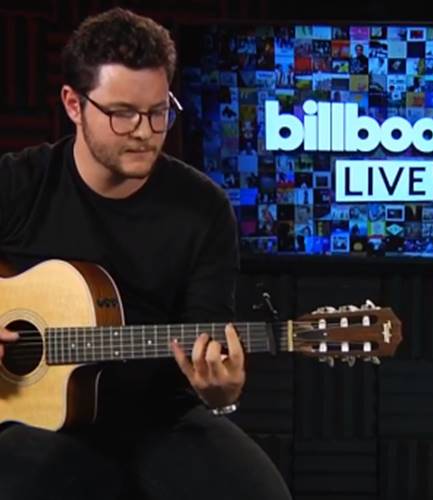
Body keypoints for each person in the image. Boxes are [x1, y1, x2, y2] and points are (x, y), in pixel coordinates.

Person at [0, 8, 291, 500]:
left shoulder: (203, 208)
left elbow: (207, 337)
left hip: (159, 417)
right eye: (122, 113)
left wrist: (219, 392)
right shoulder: (18, 183)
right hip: (25, 418)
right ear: (73, 104)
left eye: (159, 111)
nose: (145, 130)